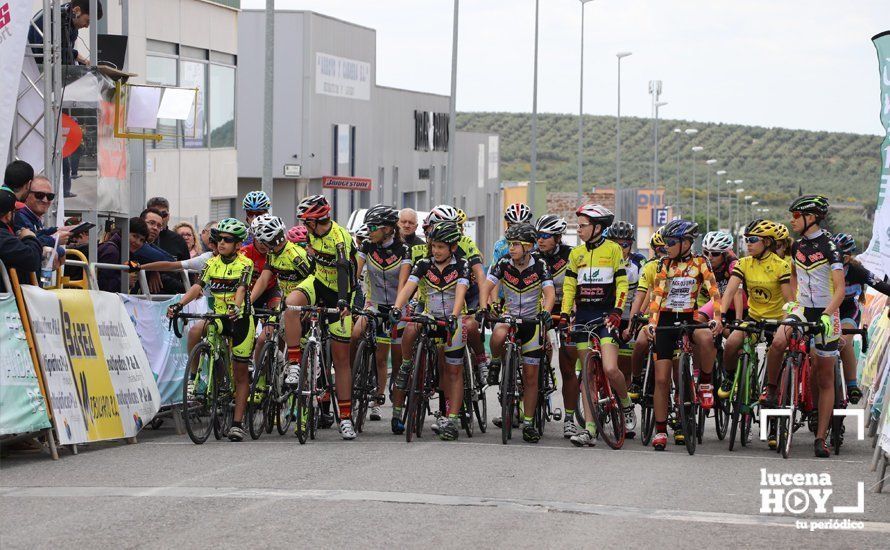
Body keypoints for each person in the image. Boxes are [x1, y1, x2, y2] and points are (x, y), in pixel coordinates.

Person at [167, 218, 255, 442]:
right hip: (218, 317)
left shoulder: (245, 264)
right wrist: (179, 305)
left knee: (240, 372)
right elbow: (198, 287)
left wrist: (236, 307)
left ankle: (236, 423)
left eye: (228, 240)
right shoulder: (212, 263)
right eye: (219, 239)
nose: (222, 243)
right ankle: (200, 378)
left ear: (237, 244)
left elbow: (242, 288)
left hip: (239, 319)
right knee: (201, 330)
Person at [775, 195, 846, 458]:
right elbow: (793, 275)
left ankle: (820, 437)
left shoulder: (831, 247)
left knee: (824, 376)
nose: (792, 220)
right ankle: (773, 391)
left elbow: (839, 290)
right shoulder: (796, 247)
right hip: (803, 310)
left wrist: (828, 314)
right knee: (779, 340)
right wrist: (793, 302)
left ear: (811, 217)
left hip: (828, 313)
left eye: (796, 216)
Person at [391, 221, 474, 441]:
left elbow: (461, 292)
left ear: (452, 248)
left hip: (451, 320)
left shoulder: (462, 265)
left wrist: (455, 317)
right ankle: (408, 364)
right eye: (433, 245)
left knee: (453, 371)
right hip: (430, 316)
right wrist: (397, 307)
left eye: (441, 247)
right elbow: (409, 288)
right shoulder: (424, 263)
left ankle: (453, 419)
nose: (435, 251)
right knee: (410, 328)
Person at [556, 205, 630, 447]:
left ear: (598, 227)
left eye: (583, 225)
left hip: (607, 316)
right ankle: (589, 428)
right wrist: (565, 315)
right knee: (586, 374)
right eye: (578, 225)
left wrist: (618, 311)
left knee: (610, 368)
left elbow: (622, 284)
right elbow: (568, 288)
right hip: (584, 316)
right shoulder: (575, 254)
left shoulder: (613, 250)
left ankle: (626, 405)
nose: (579, 229)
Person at [285, 195, 358, 440]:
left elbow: (343, 269)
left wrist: (342, 302)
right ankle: (295, 363)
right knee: (291, 305)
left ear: (316, 220)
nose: (304, 226)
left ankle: (346, 418)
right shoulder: (311, 234)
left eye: (306, 221)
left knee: (341, 359)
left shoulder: (339, 237)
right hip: (318, 282)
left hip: (342, 288)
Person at [645, 219, 722, 451]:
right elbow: (657, 297)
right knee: (661, 379)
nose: (666, 246)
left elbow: (714, 293)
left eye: (670, 242)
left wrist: (717, 318)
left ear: (686, 242)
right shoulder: (663, 264)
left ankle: (706, 383)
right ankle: (660, 430)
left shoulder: (701, 263)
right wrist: (651, 323)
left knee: (706, 338)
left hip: (689, 315)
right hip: (666, 318)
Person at [717, 219, 793, 449]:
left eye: (752, 240)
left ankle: (771, 408)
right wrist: (720, 316)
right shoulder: (743, 263)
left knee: (775, 361)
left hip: (777, 319)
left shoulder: (781, 266)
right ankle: (730, 377)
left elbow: (790, 301)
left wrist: (788, 323)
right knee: (731, 343)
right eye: (745, 240)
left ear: (767, 242)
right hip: (754, 318)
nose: (747, 244)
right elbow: (730, 291)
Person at [481, 222, 555, 443]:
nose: (510, 248)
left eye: (515, 244)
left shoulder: (540, 265)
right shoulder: (504, 263)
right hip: (510, 316)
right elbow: (487, 284)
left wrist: (547, 312)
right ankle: (495, 362)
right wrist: (485, 306)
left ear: (528, 247)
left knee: (532, 377)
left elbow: (549, 292)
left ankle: (530, 422)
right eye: (510, 243)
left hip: (532, 321)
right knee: (497, 335)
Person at [347, 206, 412, 426]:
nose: (369, 230)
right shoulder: (367, 245)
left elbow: (403, 284)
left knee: (394, 357)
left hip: (396, 307)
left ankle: (393, 405)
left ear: (387, 229)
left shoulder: (404, 250)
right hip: (373, 303)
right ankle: (356, 376)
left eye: (373, 227)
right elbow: (355, 273)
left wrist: (397, 309)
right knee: (356, 334)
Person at [832, 233, 890, 405]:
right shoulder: (823, 268)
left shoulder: (858, 271)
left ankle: (851, 385)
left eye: (837, 255)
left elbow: (882, 286)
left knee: (843, 342)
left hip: (849, 310)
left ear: (847, 258)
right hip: (827, 310)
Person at [534, 214, 577, 437]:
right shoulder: (531, 257)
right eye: (538, 236)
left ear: (558, 237)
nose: (540, 240)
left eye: (546, 236)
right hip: (540, 310)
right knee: (531, 357)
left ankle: (569, 418)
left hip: (565, 309)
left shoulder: (572, 255)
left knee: (568, 363)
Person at [605, 220, 647, 406]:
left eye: (625, 244)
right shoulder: (603, 260)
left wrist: (633, 323)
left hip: (630, 316)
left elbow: (643, 294)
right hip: (608, 316)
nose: (621, 248)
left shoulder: (639, 262)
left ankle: (624, 409)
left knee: (624, 368)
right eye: (615, 244)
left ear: (631, 244)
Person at [626, 229, 667, 401]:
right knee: (639, 344)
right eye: (658, 249)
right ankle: (636, 379)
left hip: (675, 317)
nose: (662, 252)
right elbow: (642, 294)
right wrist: (633, 320)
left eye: (665, 248)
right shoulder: (650, 267)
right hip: (653, 318)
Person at [14, 176, 69, 269]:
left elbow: (38, 237)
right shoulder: (19, 217)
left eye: (50, 196)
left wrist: (58, 231)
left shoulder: (33, 217)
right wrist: (54, 240)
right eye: (39, 195)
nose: (45, 200)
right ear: (26, 194)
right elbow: (27, 249)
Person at [29, 1, 103, 66]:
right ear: (77, 10)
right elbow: (47, 52)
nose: (87, 26)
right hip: (34, 73)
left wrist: (82, 62)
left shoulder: (72, 26)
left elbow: (66, 56)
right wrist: (79, 57)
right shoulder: (49, 17)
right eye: (88, 21)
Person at [0, 190, 41, 290]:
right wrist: (29, 237)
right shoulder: (3, 238)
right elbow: (32, 260)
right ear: (8, 215)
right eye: (15, 212)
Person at [140, 208, 185, 294]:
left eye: (159, 226)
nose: (155, 228)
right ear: (141, 222)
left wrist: (154, 269)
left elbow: (171, 261)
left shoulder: (149, 245)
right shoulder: (129, 242)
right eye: (152, 223)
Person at [491, 202, 533, 269]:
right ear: (508, 225)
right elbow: (493, 272)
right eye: (514, 226)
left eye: (522, 226)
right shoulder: (500, 245)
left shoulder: (536, 243)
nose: (518, 230)